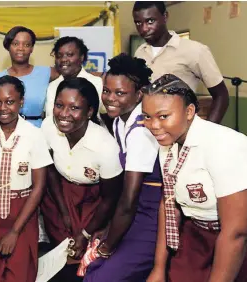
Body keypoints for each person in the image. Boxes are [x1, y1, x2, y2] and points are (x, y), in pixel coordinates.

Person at [142, 74, 247, 282]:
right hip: (199, 229)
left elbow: (236, 232)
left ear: (189, 112)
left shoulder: (224, 145)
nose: (153, 125)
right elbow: (169, 201)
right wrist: (159, 268)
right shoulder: (169, 141)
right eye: (146, 116)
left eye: (163, 116)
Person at [83, 54, 161, 281]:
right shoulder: (119, 121)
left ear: (139, 94)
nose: (110, 98)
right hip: (131, 210)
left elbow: (129, 200)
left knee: (102, 276)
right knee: (92, 269)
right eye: (107, 91)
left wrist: (107, 246)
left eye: (120, 93)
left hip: (149, 214)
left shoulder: (141, 130)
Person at [0, 75, 52, 282]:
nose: (3, 108)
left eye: (10, 102)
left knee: (19, 272)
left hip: (21, 212)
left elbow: (39, 186)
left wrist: (15, 231)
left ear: (21, 102)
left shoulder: (35, 135)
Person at [40, 78, 123, 280]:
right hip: (59, 194)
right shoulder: (48, 128)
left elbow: (110, 198)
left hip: (93, 202)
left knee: (84, 256)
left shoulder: (105, 146)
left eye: (74, 108)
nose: (64, 114)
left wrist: (85, 232)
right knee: (60, 256)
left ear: (89, 112)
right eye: (59, 105)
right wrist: (63, 211)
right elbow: (50, 171)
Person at [133, 1, 229, 124]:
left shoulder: (195, 50)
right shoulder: (139, 53)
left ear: (165, 16)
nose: (144, 28)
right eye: (138, 23)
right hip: (147, 129)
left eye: (150, 21)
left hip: (180, 131)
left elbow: (221, 96)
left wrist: (207, 132)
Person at [0, 26, 59, 127]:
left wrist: (91, 75)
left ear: (32, 48)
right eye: (15, 44)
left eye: (26, 44)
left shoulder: (47, 73)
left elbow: (75, 73)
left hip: (37, 132)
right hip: (5, 133)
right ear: (8, 46)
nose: (21, 48)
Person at [44, 36, 104, 121]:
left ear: (81, 57)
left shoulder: (96, 83)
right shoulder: (52, 86)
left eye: (69, 55)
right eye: (59, 55)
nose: (63, 59)